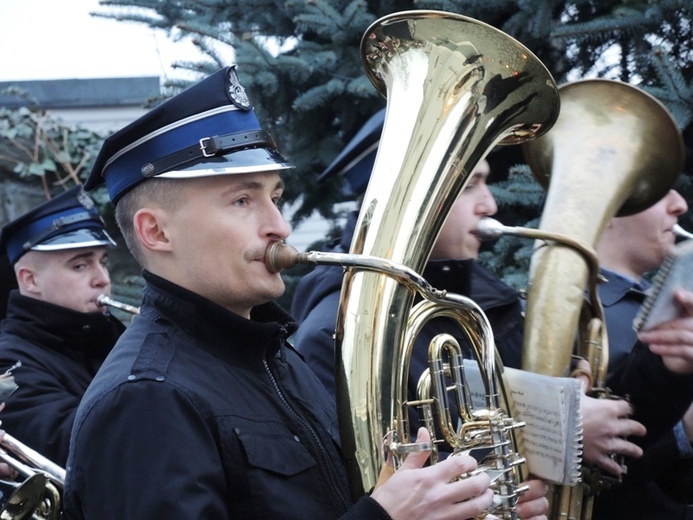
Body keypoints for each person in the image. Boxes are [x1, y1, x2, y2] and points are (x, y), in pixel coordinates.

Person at [61, 65, 533, 520]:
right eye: (243, 200)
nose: (280, 226)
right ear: (156, 232)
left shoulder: (275, 355)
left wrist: (462, 502)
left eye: (276, 197)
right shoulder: (146, 400)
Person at [0, 185, 124, 467]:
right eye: (80, 266)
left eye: (102, 262)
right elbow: (77, 445)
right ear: (30, 280)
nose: (102, 278)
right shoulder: (8, 362)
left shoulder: (108, 335)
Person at [591, 189, 693, 519]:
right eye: (659, 191)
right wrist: (683, 433)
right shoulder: (567, 317)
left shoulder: (675, 309)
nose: (680, 205)